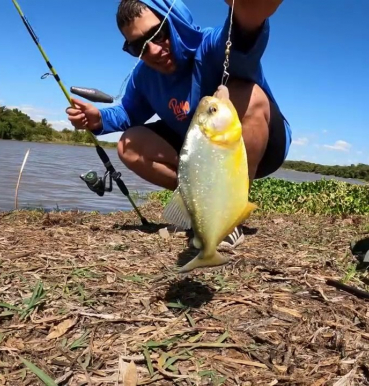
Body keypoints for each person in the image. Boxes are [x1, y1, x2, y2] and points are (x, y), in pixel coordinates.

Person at [66, 0, 290, 250]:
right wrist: (99, 119)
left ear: (175, 21)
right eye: (138, 46)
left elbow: (248, 19)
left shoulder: (211, 46)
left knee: (249, 95)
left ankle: (229, 216)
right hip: (197, 151)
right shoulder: (144, 76)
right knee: (130, 144)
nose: (151, 51)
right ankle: (200, 206)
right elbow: (129, 112)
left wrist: (250, 6)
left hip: (264, 144)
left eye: (158, 34)